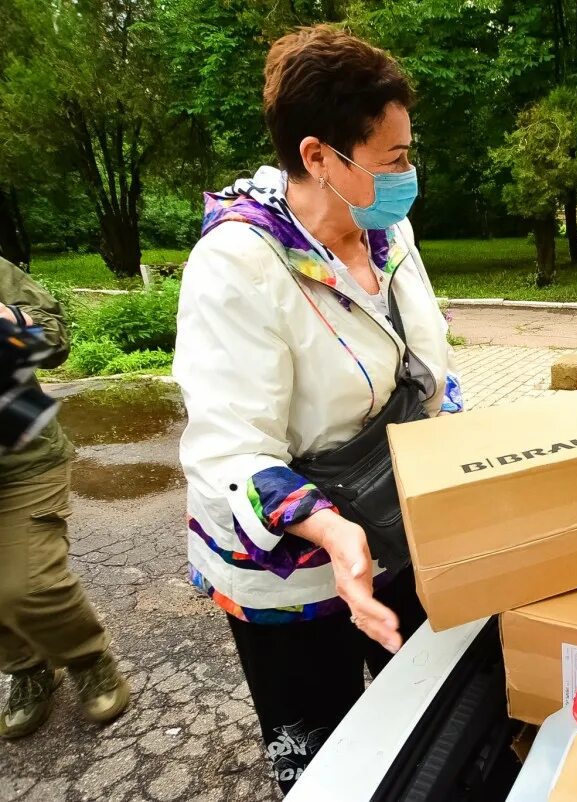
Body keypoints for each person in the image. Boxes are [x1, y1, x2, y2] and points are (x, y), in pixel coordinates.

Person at [173, 26, 458, 792]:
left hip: (397, 522)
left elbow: (429, 370)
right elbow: (232, 451)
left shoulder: (386, 229)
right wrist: (333, 533)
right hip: (293, 571)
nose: (408, 174)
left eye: (408, 153)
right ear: (317, 156)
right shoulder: (238, 265)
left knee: (435, 723)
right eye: (392, 159)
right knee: (326, 762)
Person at [0, 257, 130, 739]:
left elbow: (54, 341)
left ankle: (86, 658)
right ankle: (26, 668)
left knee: (30, 585)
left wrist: (12, 327)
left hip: (20, 454)